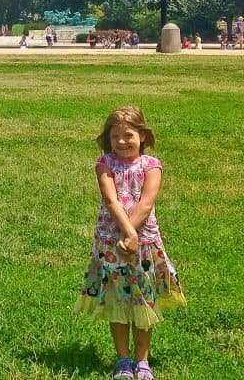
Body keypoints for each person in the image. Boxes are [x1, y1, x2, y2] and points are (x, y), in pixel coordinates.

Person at [74, 106, 186, 380]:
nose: (122, 142)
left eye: (128, 135)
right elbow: (111, 200)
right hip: (112, 245)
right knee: (116, 302)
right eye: (115, 137)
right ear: (108, 139)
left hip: (144, 245)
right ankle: (123, 360)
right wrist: (127, 233)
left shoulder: (152, 165)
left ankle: (142, 361)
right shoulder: (105, 164)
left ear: (143, 136)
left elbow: (146, 203)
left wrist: (133, 234)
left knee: (142, 301)